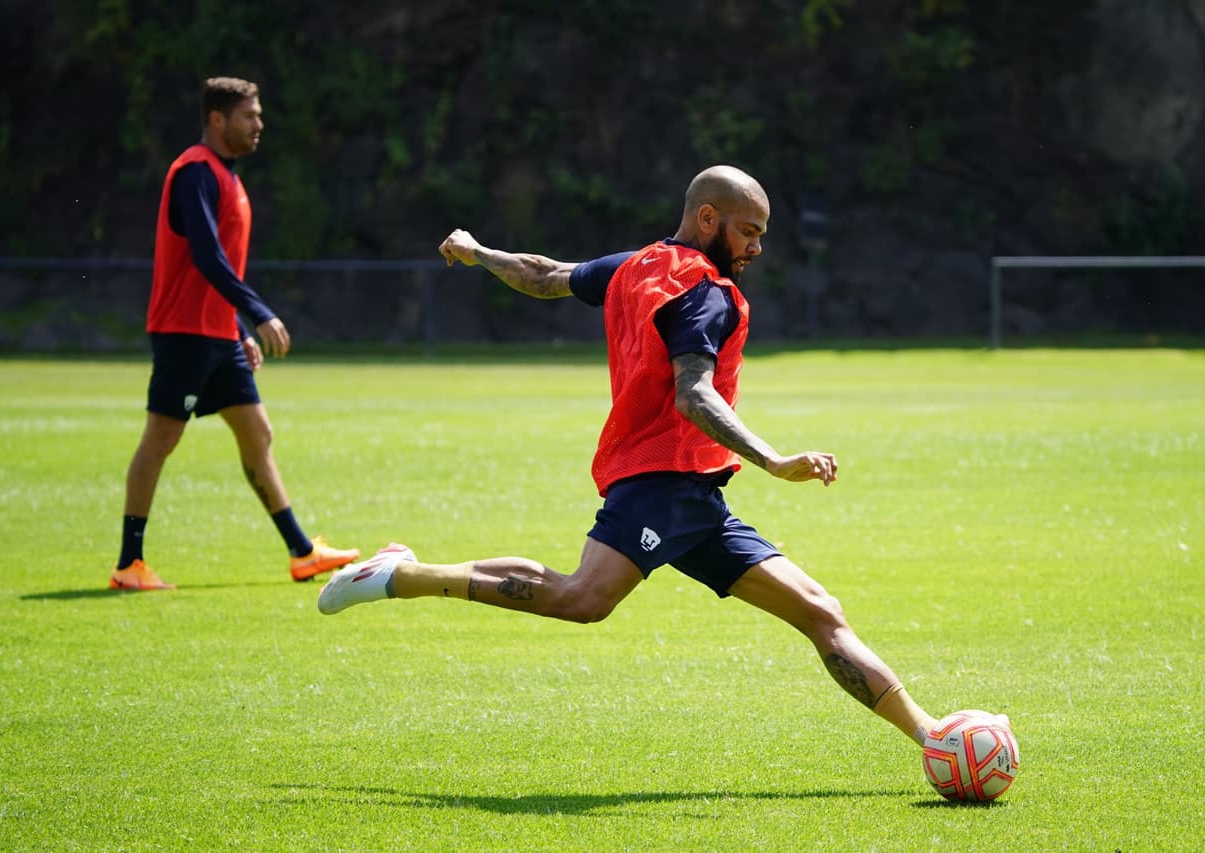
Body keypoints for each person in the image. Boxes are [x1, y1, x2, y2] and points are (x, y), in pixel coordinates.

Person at [319, 165, 950, 748]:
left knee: (819, 611)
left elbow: (544, 275)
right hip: (659, 482)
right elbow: (693, 393)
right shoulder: (704, 292)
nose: (757, 247)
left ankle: (935, 738)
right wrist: (774, 460)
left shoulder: (637, 265)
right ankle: (400, 576)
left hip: (696, 494)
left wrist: (476, 250)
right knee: (582, 599)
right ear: (709, 219)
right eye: (749, 231)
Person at [110, 77, 358, 591]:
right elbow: (205, 255)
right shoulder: (194, 172)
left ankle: (302, 552)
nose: (259, 124)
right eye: (250, 115)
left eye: (259, 115)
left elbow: (215, 265)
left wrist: (236, 327)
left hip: (218, 333)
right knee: (161, 439)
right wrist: (256, 312)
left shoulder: (227, 176)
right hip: (184, 331)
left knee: (257, 434)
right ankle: (128, 565)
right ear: (217, 120)